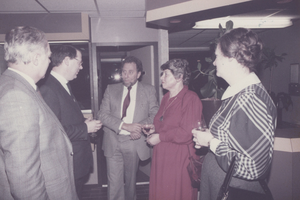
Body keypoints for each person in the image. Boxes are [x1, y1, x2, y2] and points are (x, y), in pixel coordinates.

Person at [192, 28, 277, 200]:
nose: (214, 62)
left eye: (217, 56)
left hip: (236, 190)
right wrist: (211, 137)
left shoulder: (251, 99)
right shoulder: (238, 94)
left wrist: (210, 141)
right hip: (224, 184)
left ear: (231, 60)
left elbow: (253, 167)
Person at [0, 26, 78, 200]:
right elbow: (24, 179)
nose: (49, 61)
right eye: (48, 56)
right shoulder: (16, 95)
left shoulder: (15, 85)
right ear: (36, 58)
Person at [38, 45, 102, 199]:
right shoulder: (49, 88)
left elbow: (63, 118)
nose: (81, 67)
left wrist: (83, 122)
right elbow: (52, 131)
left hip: (75, 163)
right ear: (66, 60)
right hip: (66, 163)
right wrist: (84, 128)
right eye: (79, 62)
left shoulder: (63, 84)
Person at [97, 56, 159, 200]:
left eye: (130, 72)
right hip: (113, 139)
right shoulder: (111, 89)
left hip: (134, 142)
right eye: (124, 71)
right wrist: (125, 126)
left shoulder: (148, 90)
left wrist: (137, 128)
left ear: (138, 74)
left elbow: (155, 114)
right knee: (114, 182)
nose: (126, 75)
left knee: (130, 182)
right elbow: (102, 115)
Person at [144, 59, 203, 200]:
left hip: (179, 158)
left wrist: (160, 137)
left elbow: (186, 133)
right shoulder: (166, 97)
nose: (161, 78)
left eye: (165, 74)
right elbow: (165, 124)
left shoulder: (191, 99)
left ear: (179, 77)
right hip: (163, 156)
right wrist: (155, 129)